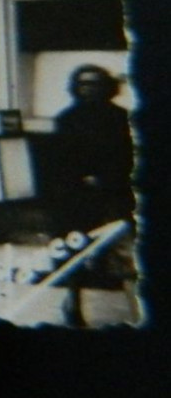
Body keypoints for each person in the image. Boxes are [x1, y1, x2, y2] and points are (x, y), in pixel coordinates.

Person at [51, 64, 135, 327]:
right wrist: (79, 179)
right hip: (77, 198)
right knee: (75, 255)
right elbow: (59, 161)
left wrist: (109, 178)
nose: (88, 89)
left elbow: (127, 155)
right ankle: (72, 304)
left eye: (95, 84)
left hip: (115, 195)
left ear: (107, 88)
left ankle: (134, 311)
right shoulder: (67, 119)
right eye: (83, 84)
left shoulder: (121, 118)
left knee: (123, 256)